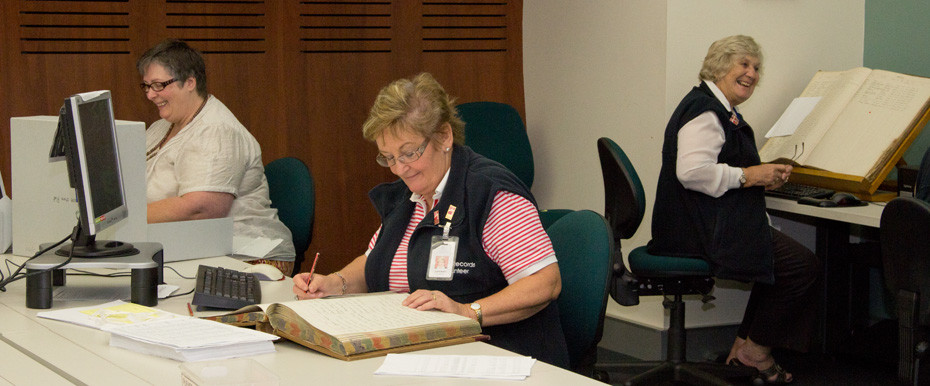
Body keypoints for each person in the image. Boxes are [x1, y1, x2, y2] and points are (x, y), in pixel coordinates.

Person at [292, 73, 569, 368]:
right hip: (423, 358)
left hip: (500, 360)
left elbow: (545, 282)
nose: (399, 169)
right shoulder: (408, 197)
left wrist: (467, 312)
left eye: (409, 153)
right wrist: (335, 283)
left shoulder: (490, 193)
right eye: (388, 157)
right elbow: (378, 261)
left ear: (444, 136)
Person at [648, 35, 820, 384]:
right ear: (719, 66)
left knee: (775, 260)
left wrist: (758, 179)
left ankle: (743, 349)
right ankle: (755, 352)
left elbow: (718, 170)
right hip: (695, 233)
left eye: (756, 67)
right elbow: (692, 172)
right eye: (743, 64)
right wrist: (751, 175)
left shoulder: (717, 109)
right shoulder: (707, 111)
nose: (752, 74)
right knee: (802, 266)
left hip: (695, 225)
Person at [138, 39, 296, 274]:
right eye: (147, 86)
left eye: (159, 85)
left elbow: (201, 209)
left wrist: (128, 218)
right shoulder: (161, 126)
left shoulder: (217, 130)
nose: (151, 95)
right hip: (191, 248)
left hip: (249, 257)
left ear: (190, 82)